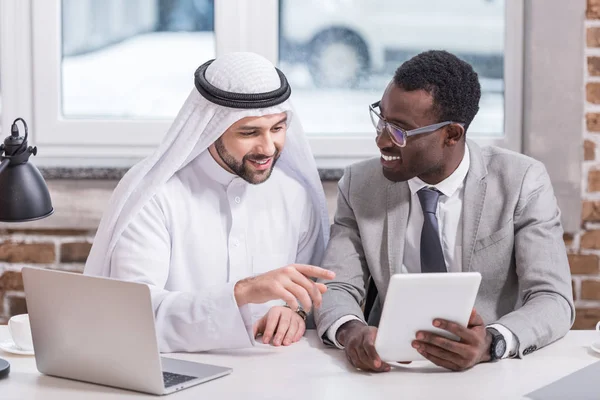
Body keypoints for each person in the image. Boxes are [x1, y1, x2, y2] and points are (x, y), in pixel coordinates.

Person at [314, 50, 574, 372]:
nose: (381, 140)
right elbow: (335, 286)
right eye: (381, 119)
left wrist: (491, 343)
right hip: (389, 368)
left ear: (451, 134)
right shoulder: (359, 184)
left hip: (489, 372)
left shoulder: (521, 181)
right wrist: (351, 331)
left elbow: (553, 298)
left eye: (399, 130)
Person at [84, 52, 335, 353]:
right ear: (211, 128)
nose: (268, 147)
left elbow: (309, 294)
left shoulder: (295, 195)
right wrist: (244, 292)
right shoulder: (156, 198)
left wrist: (293, 312)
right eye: (249, 132)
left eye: (277, 128)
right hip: (175, 375)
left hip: (276, 372)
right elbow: (134, 316)